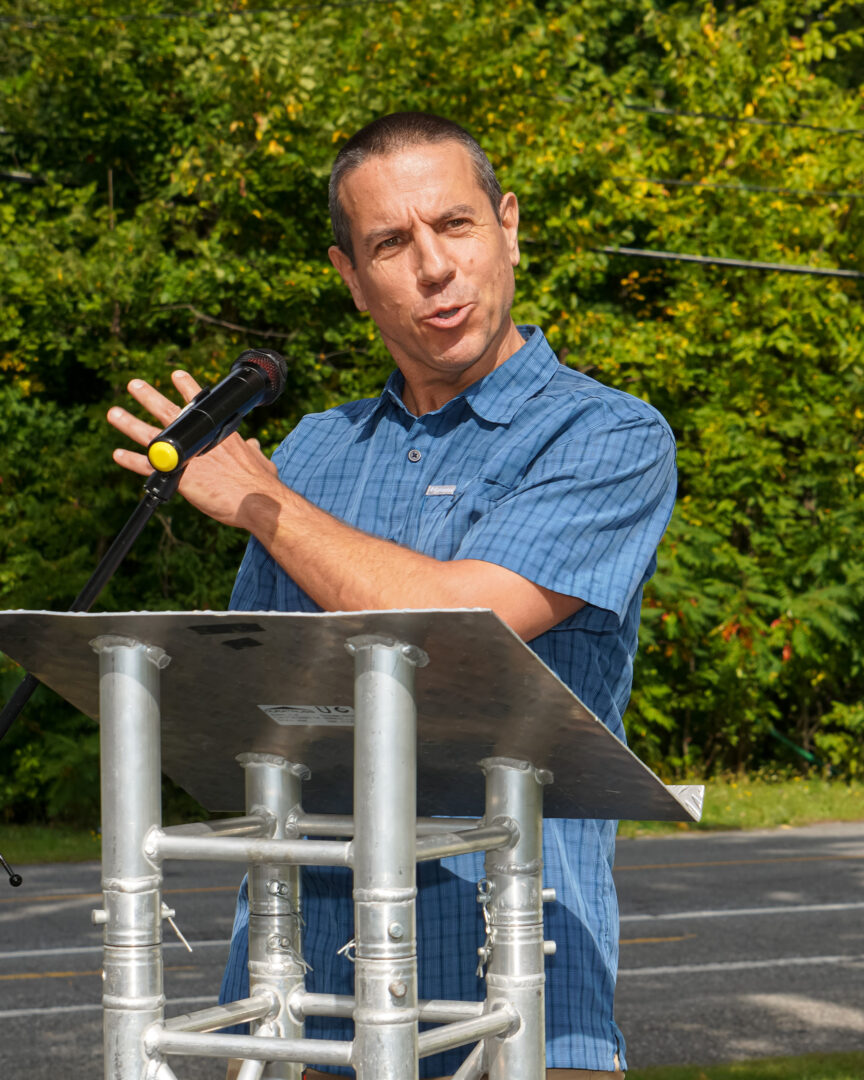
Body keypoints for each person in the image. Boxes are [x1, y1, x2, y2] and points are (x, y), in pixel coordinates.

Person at [108, 112, 676, 1078]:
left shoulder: (607, 435)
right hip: (297, 987)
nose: (435, 267)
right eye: (390, 244)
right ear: (351, 277)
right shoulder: (315, 449)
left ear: (508, 227)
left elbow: (461, 626)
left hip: (520, 988)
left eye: (455, 225)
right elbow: (259, 709)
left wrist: (265, 506)